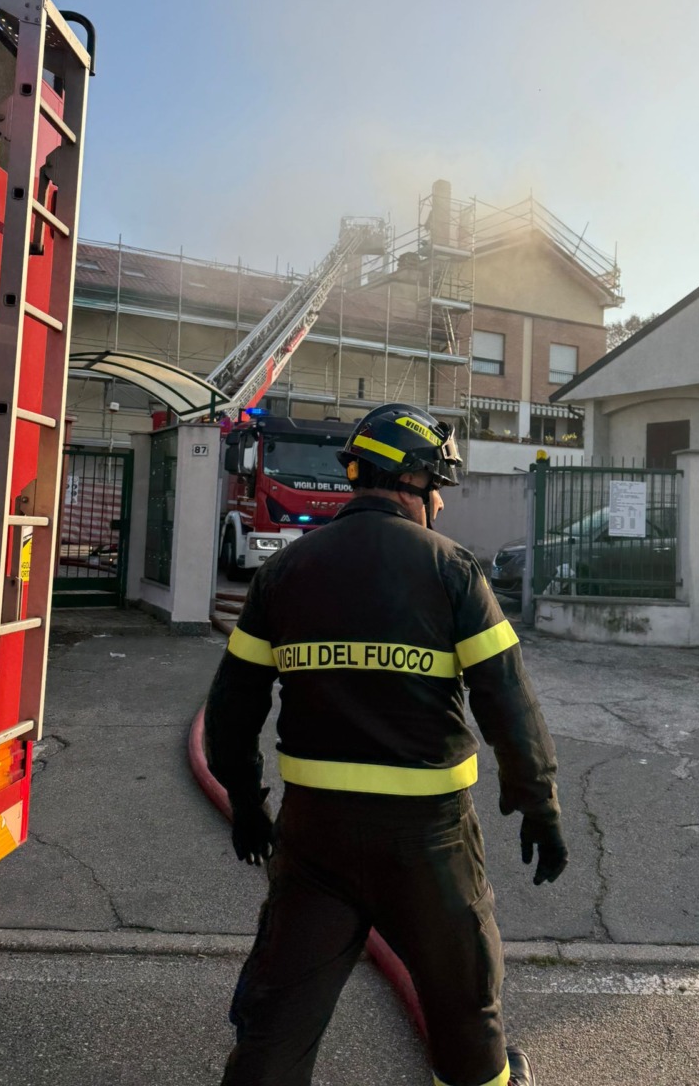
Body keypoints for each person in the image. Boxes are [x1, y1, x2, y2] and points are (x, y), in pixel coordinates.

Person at [205, 402, 568, 1086]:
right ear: (415, 480)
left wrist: (249, 806)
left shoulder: (286, 572)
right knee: (466, 1012)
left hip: (313, 841)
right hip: (429, 844)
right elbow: (507, 702)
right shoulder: (452, 570)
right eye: (438, 487)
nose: (439, 503)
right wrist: (536, 800)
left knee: (275, 1029)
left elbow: (231, 709)